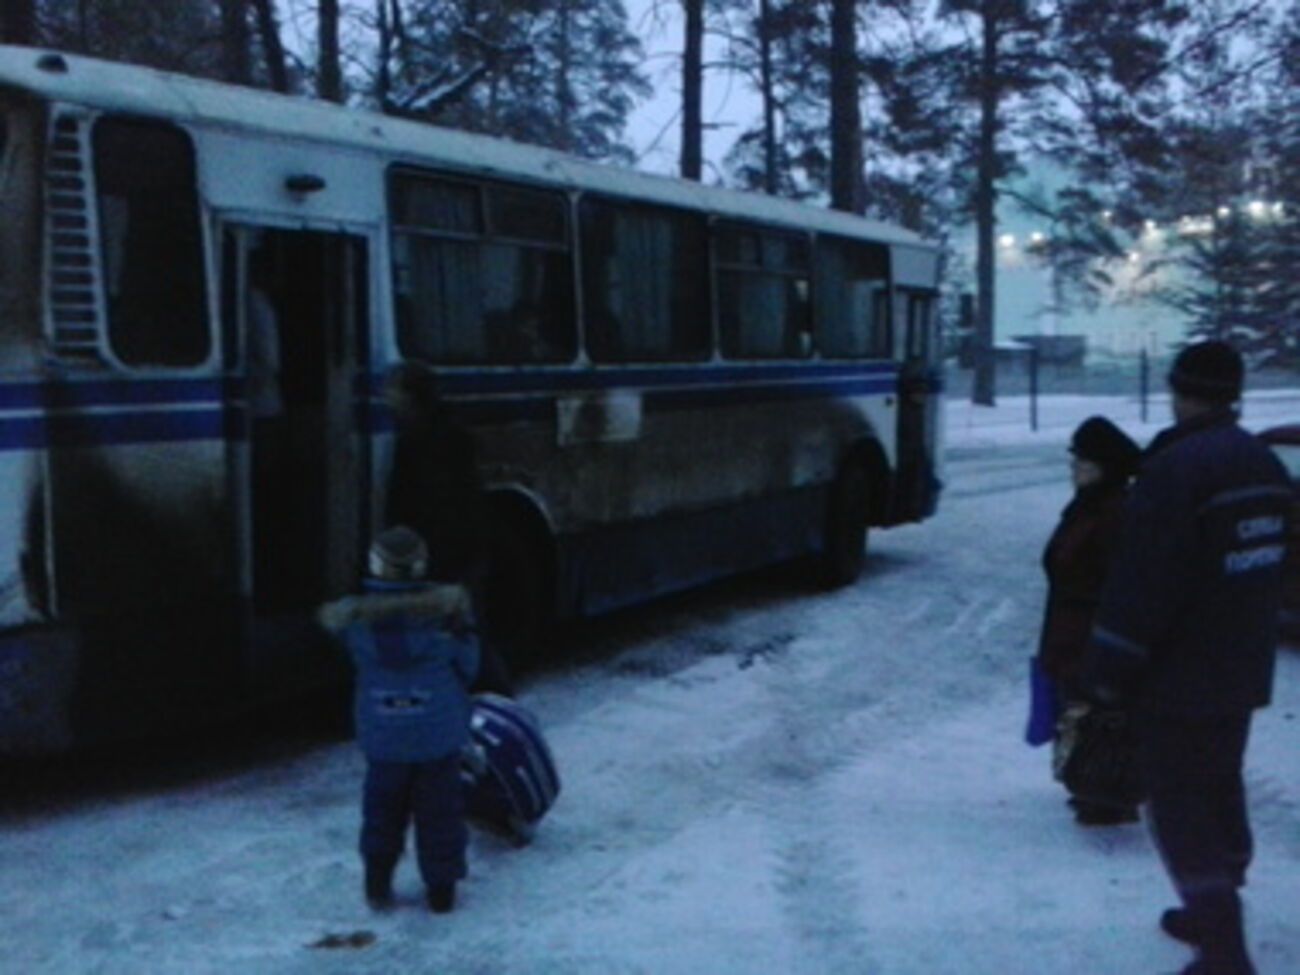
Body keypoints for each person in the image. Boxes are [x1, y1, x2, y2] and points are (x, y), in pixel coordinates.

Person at [1081, 340, 1291, 975]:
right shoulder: (1262, 463)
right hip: (1243, 663)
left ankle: (1223, 948)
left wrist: (1109, 668)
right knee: (1219, 783)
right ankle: (1214, 907)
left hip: (1178, 673)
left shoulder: (1176, 471)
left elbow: (1144, 583)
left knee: (1178, 805)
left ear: (1179, 390)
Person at [318, 526, 479, 914]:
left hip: (382, 738)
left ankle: (378, 882)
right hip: (437, 739)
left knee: (381, 811)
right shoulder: (447, 619)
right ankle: (441, 891)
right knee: (440, 814)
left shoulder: (356, 622)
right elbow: (469, 668)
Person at [384, 361, 515, 696]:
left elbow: (435, 506)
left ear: (412, 397)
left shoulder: (426, 440)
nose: (387, 398)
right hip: (455, 552)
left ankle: (497, 701)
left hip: (450, 556)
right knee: (463, 632)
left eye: (393, 391)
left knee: (467, 633)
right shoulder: (440, 433)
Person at [1035, 415, 1141, 826]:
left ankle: (1106, 792)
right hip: (1071, 631)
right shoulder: (1087, 508)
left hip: (1090, 633)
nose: (1073, 468)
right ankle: (1089, 784)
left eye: (1082, 462)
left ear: (1105, 469)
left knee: (1096, 711)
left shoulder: (1112, 514)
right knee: (1077, 708)